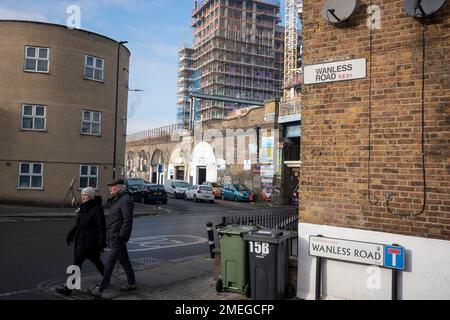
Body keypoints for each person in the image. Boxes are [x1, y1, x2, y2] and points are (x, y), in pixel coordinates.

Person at [88, 178, 136, 297]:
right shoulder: (118, 199)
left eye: (113, 186)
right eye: (110, 186)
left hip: (118, 238)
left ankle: (100, 289)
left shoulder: (125, 200)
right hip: (114, 236)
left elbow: (127, 221)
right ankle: (131, 283)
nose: (110, 188)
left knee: (109, 262)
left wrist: (121, 237)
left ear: (120, 187)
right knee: (124, 260)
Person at [56, 187, 106, 296]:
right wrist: (71, 233)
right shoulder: (83, 207)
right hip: (81, 239)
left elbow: (101, 226)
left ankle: (69, 288)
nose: (83, 196)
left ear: (91, 196)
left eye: (86, 194)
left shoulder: (96, 208)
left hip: (90, 241)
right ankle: (106, 278)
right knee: (96, 261)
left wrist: (102, 242)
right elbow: (79, 224)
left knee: (77, 262)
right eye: (82, 194)